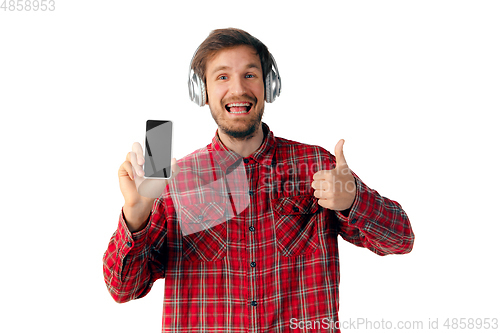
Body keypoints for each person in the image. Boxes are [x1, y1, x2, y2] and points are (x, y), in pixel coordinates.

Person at [103, 28, 414, 332]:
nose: (238, 89)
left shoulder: (317, 165)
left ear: (270, 86)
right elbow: (123, 288)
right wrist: (136, 213)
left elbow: (401, 240)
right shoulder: (172, 182)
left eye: (249, 75)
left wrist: (355, 199)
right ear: (203, 92)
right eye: (222, 76)